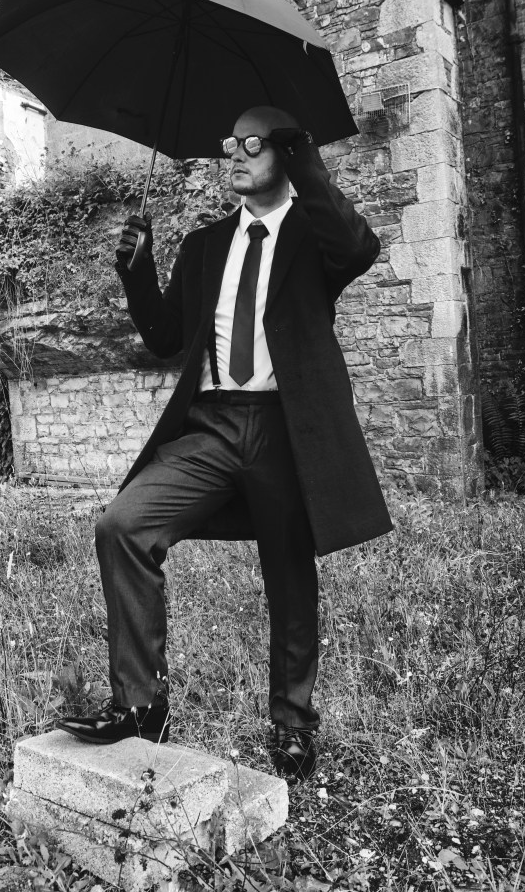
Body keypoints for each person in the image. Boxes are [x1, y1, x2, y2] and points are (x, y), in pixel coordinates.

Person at [58, 106, 393, 779]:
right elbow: (163, 337)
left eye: (251, 144)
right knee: (123, 525)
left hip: (286, 428)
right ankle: (140, 707)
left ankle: (292, 724)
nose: (233, 156)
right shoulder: (205, 245)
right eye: (227, 145)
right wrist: (136, 272)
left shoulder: (314, 235)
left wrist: (305, 158)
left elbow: (358, 248)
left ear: (285, 153)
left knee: (289, 573)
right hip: (212, 425)